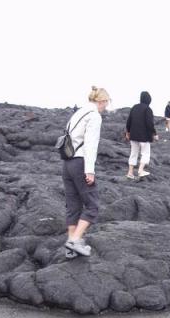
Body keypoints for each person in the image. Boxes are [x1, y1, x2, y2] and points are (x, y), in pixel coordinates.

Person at [62, 86, 110, 258]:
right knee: (92, 206)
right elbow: (91, 145)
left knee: (73, 206)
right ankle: (74, 241)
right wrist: (90, 171)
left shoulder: (78, 113)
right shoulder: (94, 116)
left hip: (67, 163)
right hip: (80, 163)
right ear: (101, 101)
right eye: (106, 103)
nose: (106, 106)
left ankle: (70, 248)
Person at [125, 91, 158, 179]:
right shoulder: (148, 109)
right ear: (149, 99)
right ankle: (140, 170)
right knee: (145, 153)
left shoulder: (134, 107)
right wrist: (154, 133)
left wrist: (128, 132)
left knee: (133, 153)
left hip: (134, 135)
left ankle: (130, 173)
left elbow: (129, 121)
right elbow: (149, 123)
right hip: (144, 136)